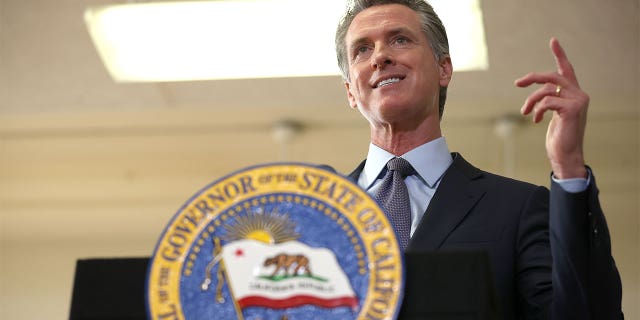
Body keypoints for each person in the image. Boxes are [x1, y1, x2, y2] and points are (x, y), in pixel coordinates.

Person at [334, 0, 623, 318]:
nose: (379, 57)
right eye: (362, 49)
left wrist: (569, 165)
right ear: (350, 91)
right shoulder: (313, 212)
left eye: (399, 39)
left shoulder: (517, 208)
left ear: (444, 68)